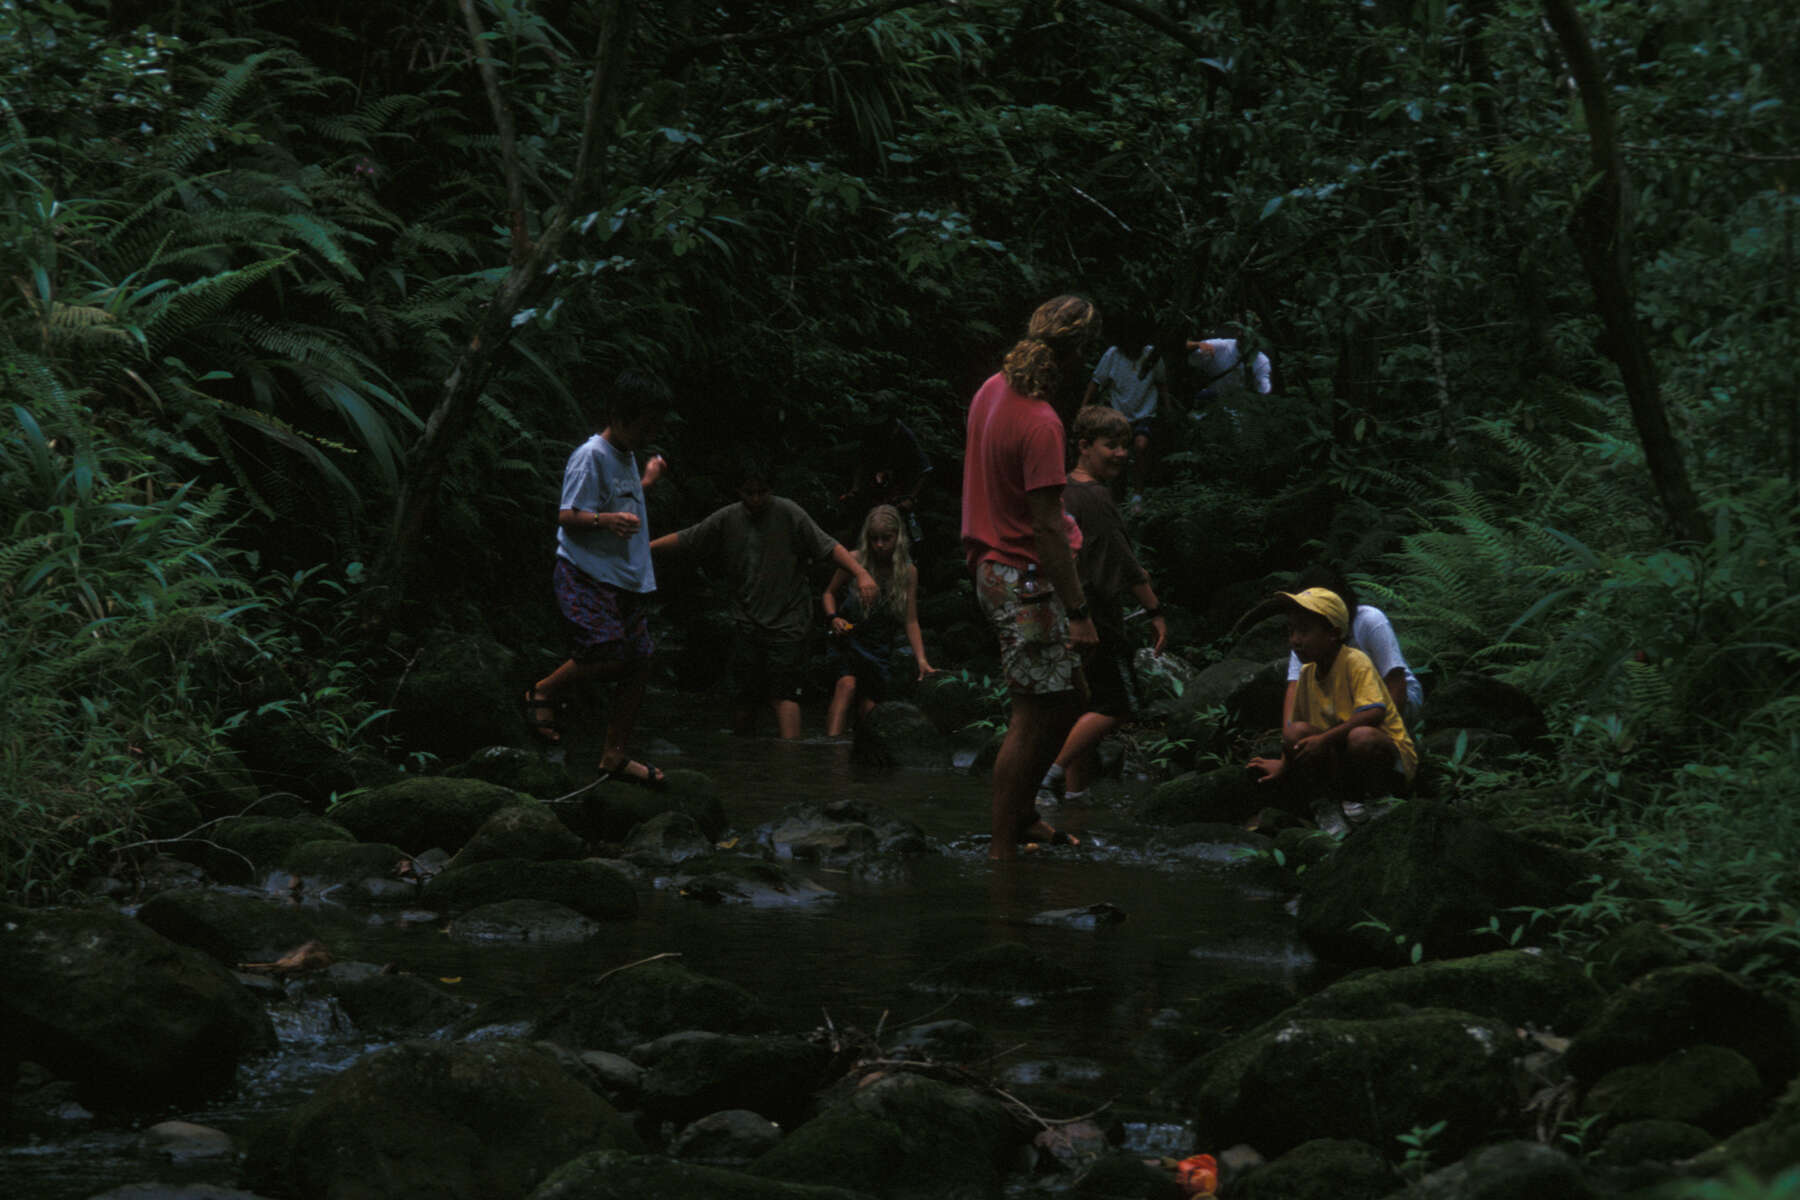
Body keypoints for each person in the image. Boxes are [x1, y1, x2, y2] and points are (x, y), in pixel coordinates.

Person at [962, 293, 1102, 859]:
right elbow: (1046, 528)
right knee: (1031, 714)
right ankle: (1002, 848)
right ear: (1080, 355)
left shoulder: (993, 389)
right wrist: (1079, 613)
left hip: (995, 567)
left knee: (1067, 698)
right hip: (1023, 578)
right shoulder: (1042, 422)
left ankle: (1021, 817)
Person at [523, 368, 670, 789]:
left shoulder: (624, 456)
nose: (651, 433)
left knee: (639, 661)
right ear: (622, 417)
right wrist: (606, 520)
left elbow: (617, 497)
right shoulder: (591, 455)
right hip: (585, 573)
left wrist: (645, 483)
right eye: (646, 425)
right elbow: (567, 515)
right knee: (607, 653)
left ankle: (614, 755)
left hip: (623, 578)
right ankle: (544, 691)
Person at [650, 466, 877, 739]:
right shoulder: (728, 518)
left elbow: (828, 547)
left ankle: (788, 765)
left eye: (762, 493)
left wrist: (861, 573)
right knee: (745, 701)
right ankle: (746, 765)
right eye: (749, 493)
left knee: (784, 695)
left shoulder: (789, 513)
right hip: (747, 620)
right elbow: (688, 538)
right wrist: (647, 548)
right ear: (739, 491)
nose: (756, 499)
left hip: (789, 620)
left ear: (771, 490)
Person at [1036, 405, 1169, 803]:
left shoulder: (1060, 490)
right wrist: (1155, 612)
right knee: (1118, 706)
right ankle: (1050, 775)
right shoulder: (1095, 496)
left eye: (1125, 446)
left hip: (1066, 612)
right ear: (1084, 446)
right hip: (1097, 615)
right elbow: (1126, 563)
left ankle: (1076, 800)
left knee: (1085, 707)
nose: (1122, 454)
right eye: (1111, 445)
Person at [1248, 587, 1417, 823]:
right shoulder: (1308, 673)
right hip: (1343, 760)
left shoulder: (1355, 661)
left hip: (1381, 755)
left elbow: (1375, 711)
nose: (1295, 640)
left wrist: (1324, 739)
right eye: (1291, 631)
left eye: (1305, 631)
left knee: (1361, 737)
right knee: (1295, 732)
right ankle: (1329, 803)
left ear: (1333, 634)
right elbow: (1294, 735)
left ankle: (1379, 798)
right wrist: (1284, 766)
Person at [823, 504, 938, 736]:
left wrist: (922, 660)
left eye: (886, 538)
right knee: (846, 685)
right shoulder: (854, 559)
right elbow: (828, 593)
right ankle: (831, 749)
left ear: (898, 537)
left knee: (870, 706)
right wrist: (833, 618)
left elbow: (910, 619)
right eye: (874, 539)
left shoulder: (907, 571)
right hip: (848, 636)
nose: (879, 545)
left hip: (878, 643)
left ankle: (861, 753)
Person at [1280, 564, 1422, 741]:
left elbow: (1395, 681)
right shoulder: (1305, 639)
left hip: (1387, 702)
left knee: (1362, 738)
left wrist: (1389, 735)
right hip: (1344, 706)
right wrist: (1288, 740)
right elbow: (1295, 688)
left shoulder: (1369, 621)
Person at [1083, 317, 1164, 495]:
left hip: (1145, 412)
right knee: (1117, 453)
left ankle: (1138, 494)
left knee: (1141, 446)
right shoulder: (1113, 355)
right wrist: (1085, 407)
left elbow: (1161, 382)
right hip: (1118, 413)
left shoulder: (1151, 355)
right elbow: (1096, 381)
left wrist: (1167, 408)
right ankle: (1116, 493)